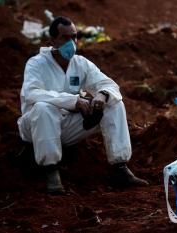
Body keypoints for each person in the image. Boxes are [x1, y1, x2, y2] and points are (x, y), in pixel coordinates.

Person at [18, 16, 148, 194]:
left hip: (65, 128)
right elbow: (32, 93)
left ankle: (120, 168)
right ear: (52, 40)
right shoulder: (36, 64)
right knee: (43, 107)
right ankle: (51, 172)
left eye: (74, 37)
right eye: (65, 38)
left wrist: (101, 96)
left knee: (113, 102)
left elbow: (109, 85)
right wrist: (73, 101)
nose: (71, 42)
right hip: (36, 128)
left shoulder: (80, 64)